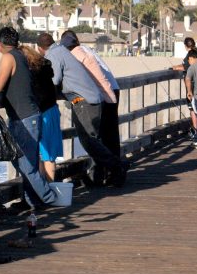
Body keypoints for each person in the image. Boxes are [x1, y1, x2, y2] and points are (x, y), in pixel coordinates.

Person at [0, 27, 56, 209]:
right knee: (27, 162)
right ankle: (33, 202)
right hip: (30, 115)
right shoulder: (22, 55)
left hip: (24, 117)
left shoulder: (8, 57)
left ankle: (50, 198)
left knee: (25, 164)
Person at [37, 33, 127, 187]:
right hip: (94, 99)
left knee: (89, 141)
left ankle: (117, 165)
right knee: (94, 140)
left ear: (39, 48)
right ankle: (98, 176)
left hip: (84, 102)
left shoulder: (53, 55)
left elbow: (55, 80)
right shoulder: (63, 51)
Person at [61, 30, 121, 163]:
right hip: (113, 89)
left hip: (104, 93)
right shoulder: (86, 49)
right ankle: (113, 170)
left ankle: (113, 168)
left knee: (97, 136)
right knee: (110, 135)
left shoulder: (76, 54)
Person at [20, 45, 63, 182]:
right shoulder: (44, 69)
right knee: (47, 154)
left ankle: (47, 188)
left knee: (43, 154)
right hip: (52, 110)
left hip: (43, 112)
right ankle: (48, 188)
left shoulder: (30, 73)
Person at [173, 37, 197, 138]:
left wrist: (176, 68)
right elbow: (186, 64)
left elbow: (187, 67)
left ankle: (195, 129)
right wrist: (176, 66)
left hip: (192, 84)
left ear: (185, 45)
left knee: (192, 108)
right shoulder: (196, 53)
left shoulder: (191, 54)